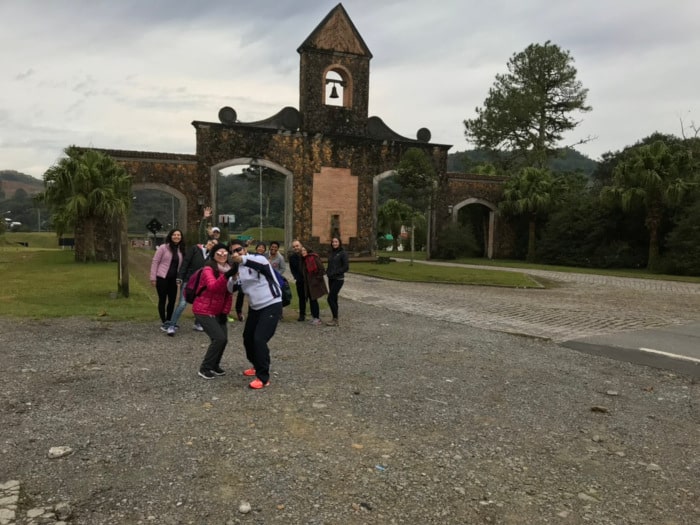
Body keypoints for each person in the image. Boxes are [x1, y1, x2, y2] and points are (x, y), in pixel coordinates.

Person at [229, 238, 283, 389]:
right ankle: (256, 364)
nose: (236, 253)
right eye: (233, 251)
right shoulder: (238, 269)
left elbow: (261, 264)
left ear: (245, 249)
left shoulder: (258, 259)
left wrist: (242, 259)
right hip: (255, 307)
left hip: (271, 303)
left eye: (239, 249)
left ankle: (263, 377)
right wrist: (233, 278)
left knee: (259, 339)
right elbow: (230, 288)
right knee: (248, 338)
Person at [193, 244, 237, 379]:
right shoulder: (208, 269)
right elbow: (213, 287)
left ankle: (214, 365)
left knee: (223, 339)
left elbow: (228, 294)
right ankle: (205, 368)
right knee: (219, 338)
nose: (222, 256)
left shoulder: (229, 269)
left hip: (219, 311)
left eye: (225, 253)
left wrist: (225, 312)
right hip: (203, 309)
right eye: (219, 253)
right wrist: (228, 275)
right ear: (213, 255)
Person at [168, 238, 217, 335]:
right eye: (211, 242)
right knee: (182, 304)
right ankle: (171, 325)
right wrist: (180, 277)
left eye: (215, 244)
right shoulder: (195, 249)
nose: (212, 245)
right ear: (207, 241)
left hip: (201, 283)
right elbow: (185, 263)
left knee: (199, 304)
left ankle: (197, 323)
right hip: (188, 280)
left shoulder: (212, 256)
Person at [150, 229, 185, 331]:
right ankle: (164, 322)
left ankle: (170, 321)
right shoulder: (163, 248)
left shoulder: (181, 250)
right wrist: (153, 278)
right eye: (174, 234)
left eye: (179, 235)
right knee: (162, 300)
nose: (176, 236)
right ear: (170, 236)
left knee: (172, 300)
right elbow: (155, 262)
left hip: (174, 279)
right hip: (162, 278)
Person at [301, 246, 328, 326]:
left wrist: (316, 280)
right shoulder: (304, 259)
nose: (303, 252)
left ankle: (317, 318)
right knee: (311, 300)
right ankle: (314, 317)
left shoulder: (313, 257)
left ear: (308, 250)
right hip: (308, 284)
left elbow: (322, 270)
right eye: (302, 250)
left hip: (314, 283)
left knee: (314, 300)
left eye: (304, 250)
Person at [325, 236, 349, 326]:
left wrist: (336, 272)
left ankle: (335, 319)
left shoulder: (343, 253)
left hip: (338, 279)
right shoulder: (332, 253)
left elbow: (346, 267)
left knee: (330, 298)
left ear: (339, 243)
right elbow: (330, 265)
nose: (334, 243)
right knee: (334, 298)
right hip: (331, 278)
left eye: (336, 242)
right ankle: (335, 318)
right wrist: (327, 271)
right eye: (333, 242)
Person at [288, 239, 307, 321]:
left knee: (312, 298)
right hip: (300, 280)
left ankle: (315, 315)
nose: (296, 248)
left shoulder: (306, 254)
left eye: (297, 246)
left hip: (309, 280)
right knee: (301, 298)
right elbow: (292, 269)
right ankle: (302, 315)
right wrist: (297, 277)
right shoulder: (292, 257)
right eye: (294, 247)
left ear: (301, 245)